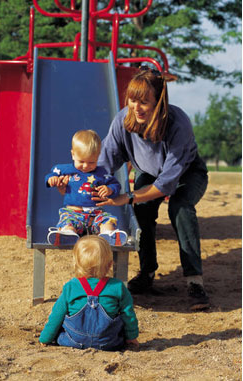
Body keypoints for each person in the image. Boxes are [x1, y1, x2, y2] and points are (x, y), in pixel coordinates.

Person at [93, 66, 210, 311]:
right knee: (143, 209)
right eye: (133, 100)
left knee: (180, 207)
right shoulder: (124, 120)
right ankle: (147, 273)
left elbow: (167, 183)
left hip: (187, 173)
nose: (137, 107)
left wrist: (127, 197)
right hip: (149, 171)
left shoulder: (178, 123)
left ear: (159, 102)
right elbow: (104, 163)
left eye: (144, 102)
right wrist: (80, 180)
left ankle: (194, 280)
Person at [39, 235, 139, 350]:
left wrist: (45, 338)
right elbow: (128, 315)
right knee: (121, 319)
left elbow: (57, 315)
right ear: (110, 264)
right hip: (108, 342)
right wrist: (131, 337)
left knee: (61, 331)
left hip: (74, 340)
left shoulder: (71, 287)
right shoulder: (117, 286)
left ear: (76, 264)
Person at [45, 129, 128, 246]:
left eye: (91, 162)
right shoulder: (65, 170)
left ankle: (108, 234)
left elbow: (116, 185)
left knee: (107, 219)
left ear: (98, 157)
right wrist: (51, 179)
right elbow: (51, 174)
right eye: (81, 161)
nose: (86, 166)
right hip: (73, 212)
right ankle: (67, 233)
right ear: (73, 154)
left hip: (96, 214)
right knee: (67, 221)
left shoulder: (102, 173)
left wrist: (109, 189)